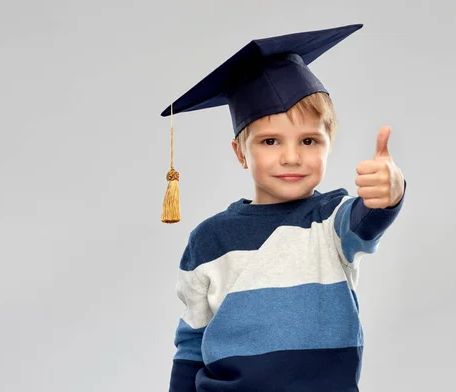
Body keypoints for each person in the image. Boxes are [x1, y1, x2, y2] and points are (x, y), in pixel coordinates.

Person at [161, 23, 407, 392]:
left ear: (329, 144)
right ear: (240, 152)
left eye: (309, 140)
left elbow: (367, 218)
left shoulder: (331, 221)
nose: (291, 157)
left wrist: (390, 192)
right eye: (270, 141)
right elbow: (192, 343)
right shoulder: (209, 240)